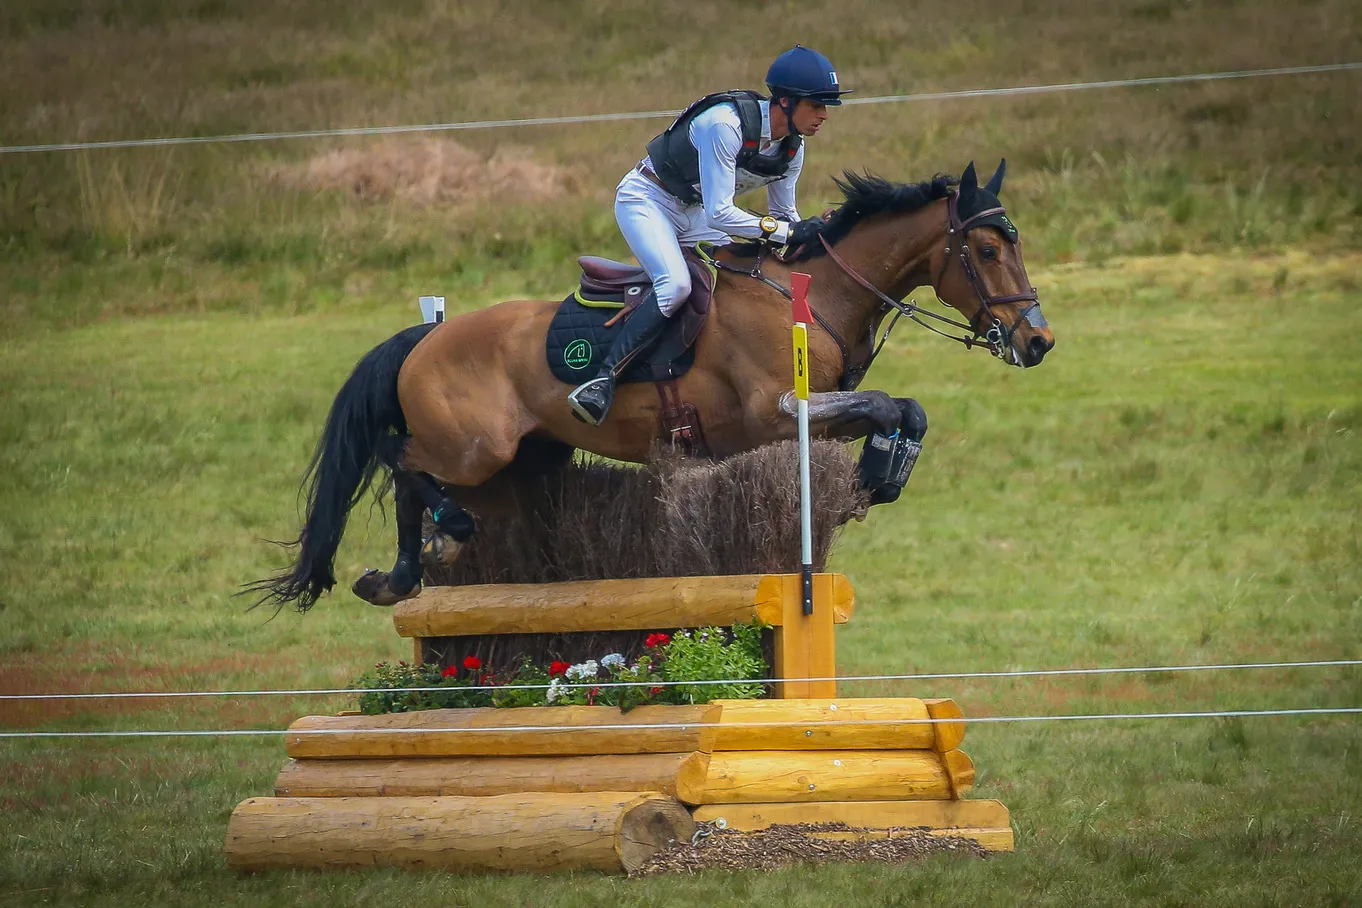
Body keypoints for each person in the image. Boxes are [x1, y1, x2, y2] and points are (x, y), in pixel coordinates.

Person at [567, 45, 851, 426]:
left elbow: (785, 216)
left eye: (826, 106)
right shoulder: (725, 124)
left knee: (752, 273)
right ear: (785, 101)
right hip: (648, 199)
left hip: (696, 212)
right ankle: (603, 380)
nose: (824, 115)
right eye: (816, 105)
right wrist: (788, 231)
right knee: (676, 286)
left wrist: (817, 235)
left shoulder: (791, 150)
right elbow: (723, 213)